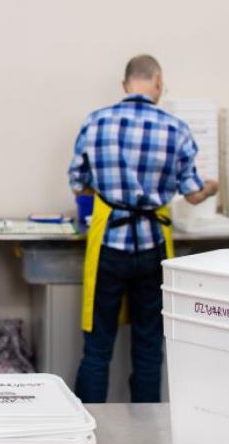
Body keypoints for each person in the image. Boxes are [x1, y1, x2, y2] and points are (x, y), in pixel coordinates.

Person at [68, 54, 218, 404]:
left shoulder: (96, 122)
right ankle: (146, 436)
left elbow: (78, 184)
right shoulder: (176, 128)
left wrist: (113, 192)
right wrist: (213, 186)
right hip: (153, 249)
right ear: (158, 82)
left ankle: (85, 431)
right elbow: (194, 194)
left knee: (97, 348)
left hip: (108, 244)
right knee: (149, 346)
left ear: (125, 85)